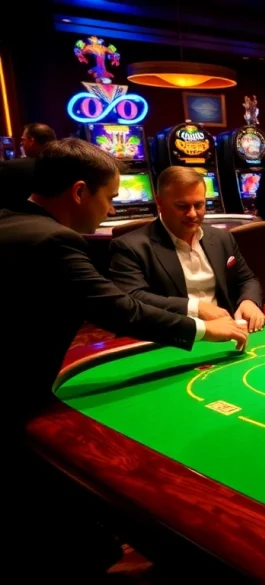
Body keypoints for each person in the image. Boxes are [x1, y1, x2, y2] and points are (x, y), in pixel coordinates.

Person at [0, 138, 246, 578]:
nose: (112, 209)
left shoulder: (11, 220)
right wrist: (208, 329)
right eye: (111, 197)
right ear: (79, 192)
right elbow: (120, 309)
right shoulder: (54, 240)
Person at [109, 166, 265, 332]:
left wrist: (249, 300)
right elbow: (132, 298)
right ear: (160, 202)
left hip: (226, 331)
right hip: (171, 336)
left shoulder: (222, 238)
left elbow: (247, 279)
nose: (192, 214)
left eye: (199, 205)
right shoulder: (130, 246)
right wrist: (195, 308)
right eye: (182, 206)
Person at [0, 122, 56, 211]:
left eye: (23, 139)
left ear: (31, 141)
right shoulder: (67, 164)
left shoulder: (10, 167)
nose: (21, 143)